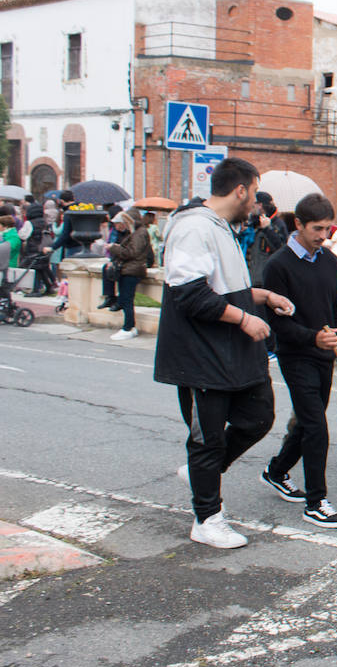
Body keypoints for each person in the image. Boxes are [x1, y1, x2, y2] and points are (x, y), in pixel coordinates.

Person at [154, 157, 295, 549]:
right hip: (201, 356)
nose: (255, 203)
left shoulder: (220, 227)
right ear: (242, 190)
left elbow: (221, 286)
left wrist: (262, 296)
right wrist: (244, 319)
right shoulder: (193, 227)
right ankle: (207, 518)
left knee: (258, 416)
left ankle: (204, 471)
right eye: (254, 193)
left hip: (232, 353)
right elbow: (189, 294)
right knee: (206, 440)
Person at [260, 193, 337, 527]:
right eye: (316, 228)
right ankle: (316, 501)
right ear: (298, 224)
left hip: (324, 354)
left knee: (306, 422)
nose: (323, 235)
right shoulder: (278, 266)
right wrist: (312, 337)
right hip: (295, 354)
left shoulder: (330, 261)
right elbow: (278, 325)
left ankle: (276, 470)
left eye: (328, 228)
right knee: (316, 425)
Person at [105, 210, 153, 342]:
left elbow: (132, 253)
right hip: (130, 269)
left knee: (127, 299)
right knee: (126, 299)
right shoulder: (137, 232)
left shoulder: (139, 233)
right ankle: (128, 326)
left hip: (132, 270)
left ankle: (129, 327)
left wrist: (113, 248)